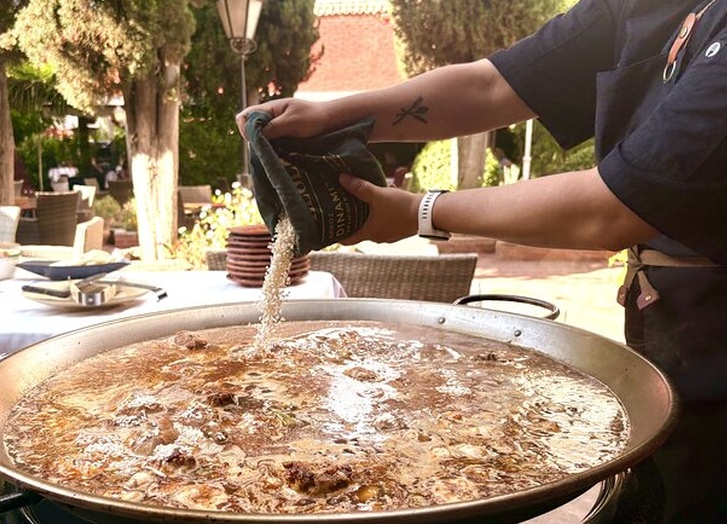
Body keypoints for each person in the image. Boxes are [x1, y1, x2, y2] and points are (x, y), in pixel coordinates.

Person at [237, 1, 726, 522]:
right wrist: (334, 113)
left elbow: (611, 209)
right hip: (669, 331)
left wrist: (418, 212)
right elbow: (489, 86)